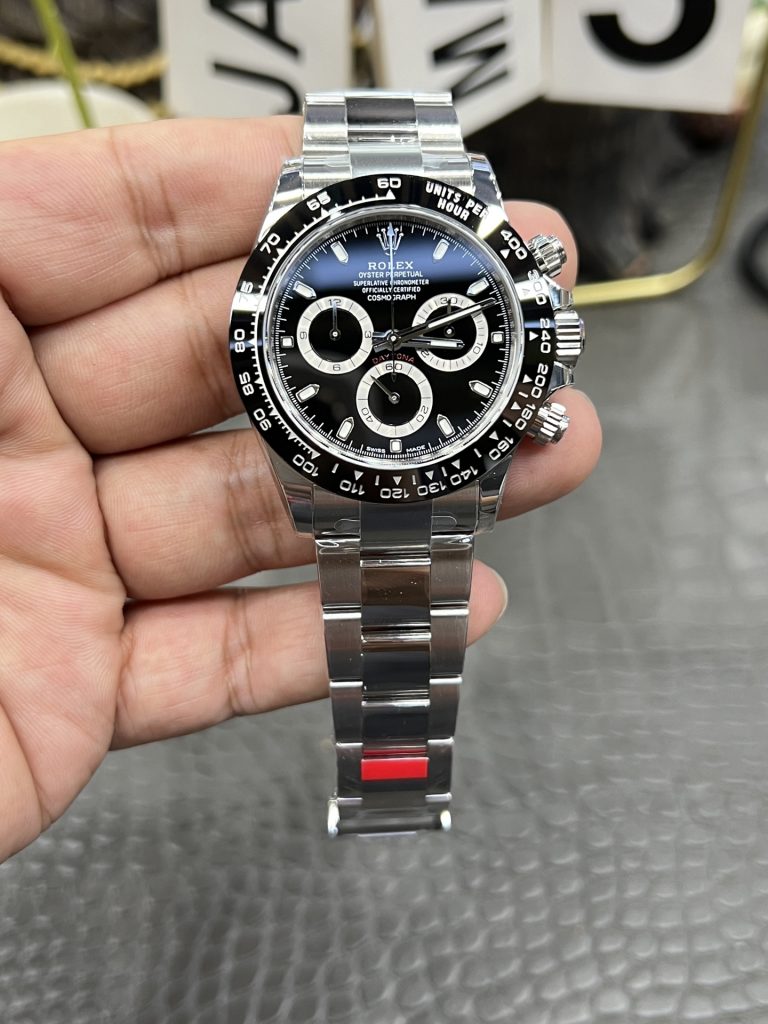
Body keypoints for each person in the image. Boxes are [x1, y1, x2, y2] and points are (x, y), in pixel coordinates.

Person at [0, 116, 601, 863]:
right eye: (363, 334)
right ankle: (395, 795)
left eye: (428, 331)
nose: (389, 342)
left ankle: (396, 793)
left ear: (550, 336)